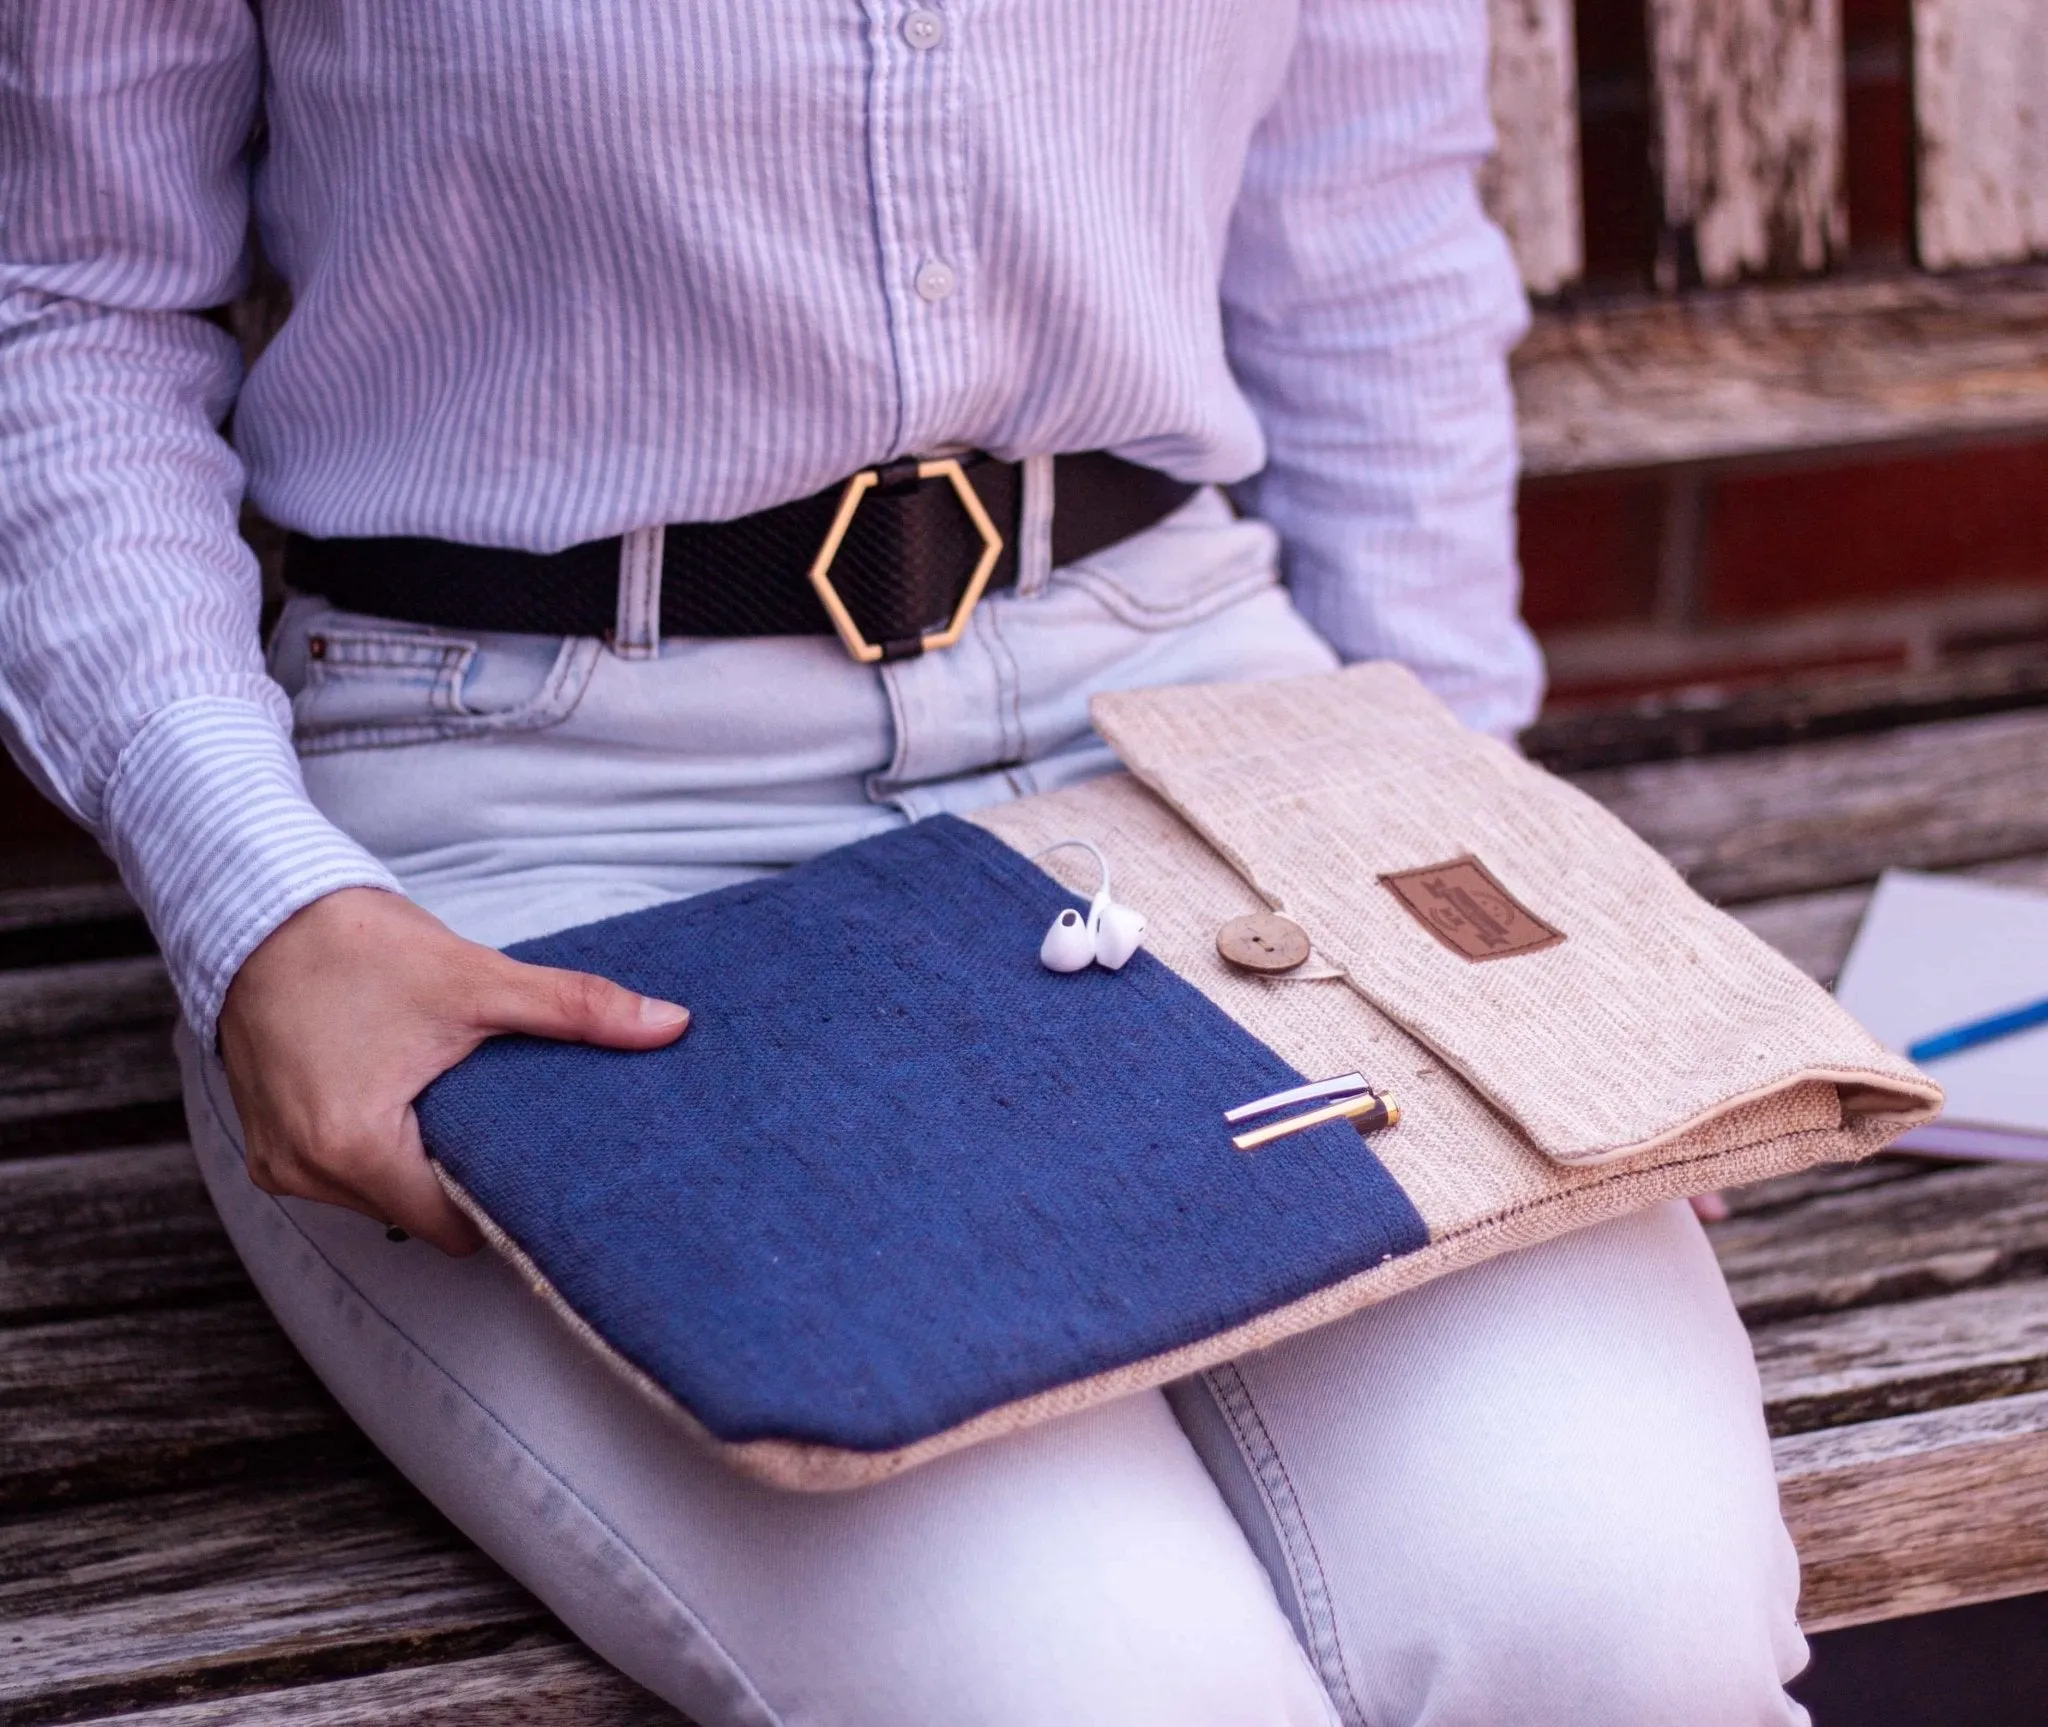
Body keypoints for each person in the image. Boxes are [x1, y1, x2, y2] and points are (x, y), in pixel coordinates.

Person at [1, 5, 1812, 1721]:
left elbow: (1367, 230)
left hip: (1184, 700)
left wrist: (1479, 887)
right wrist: (259, 905)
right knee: (1106, 1692)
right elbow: (60, 305)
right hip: (532, 811)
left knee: (1628, 1642)